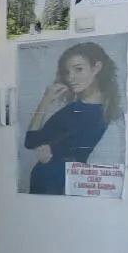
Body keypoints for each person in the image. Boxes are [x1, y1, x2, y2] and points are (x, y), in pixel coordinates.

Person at [24, 42, 121, 195]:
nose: (71, 78)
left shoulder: (110, 113)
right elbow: (30, 141)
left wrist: (52, 154)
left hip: (69, 187)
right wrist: (46, 100)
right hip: (49, 183)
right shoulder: (74, 109)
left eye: (78, 69)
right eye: (67, 72)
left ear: (96, 68)